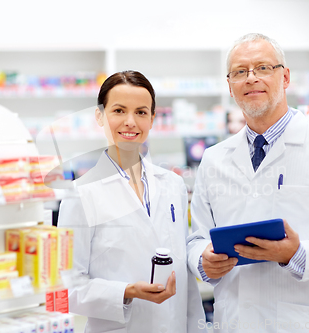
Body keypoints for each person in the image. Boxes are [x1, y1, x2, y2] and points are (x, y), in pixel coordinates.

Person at [186, 33, 309, 333]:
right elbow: (196, 238)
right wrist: (203, 261)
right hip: (235, 322)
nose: (251, 78)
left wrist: (296, 254)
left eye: (263, 68)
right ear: (230, 86)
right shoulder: (214, 160)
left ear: (285, 77)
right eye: (240, 72)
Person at [58, 70, 206, 333]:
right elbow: (64, 286)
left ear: (152, 118)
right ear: (100, 116)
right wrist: (125, 292)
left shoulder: (173, 185)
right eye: (118, 111)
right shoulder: (80, 194)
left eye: (140, 112)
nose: (130, 122)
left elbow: (184, 276)